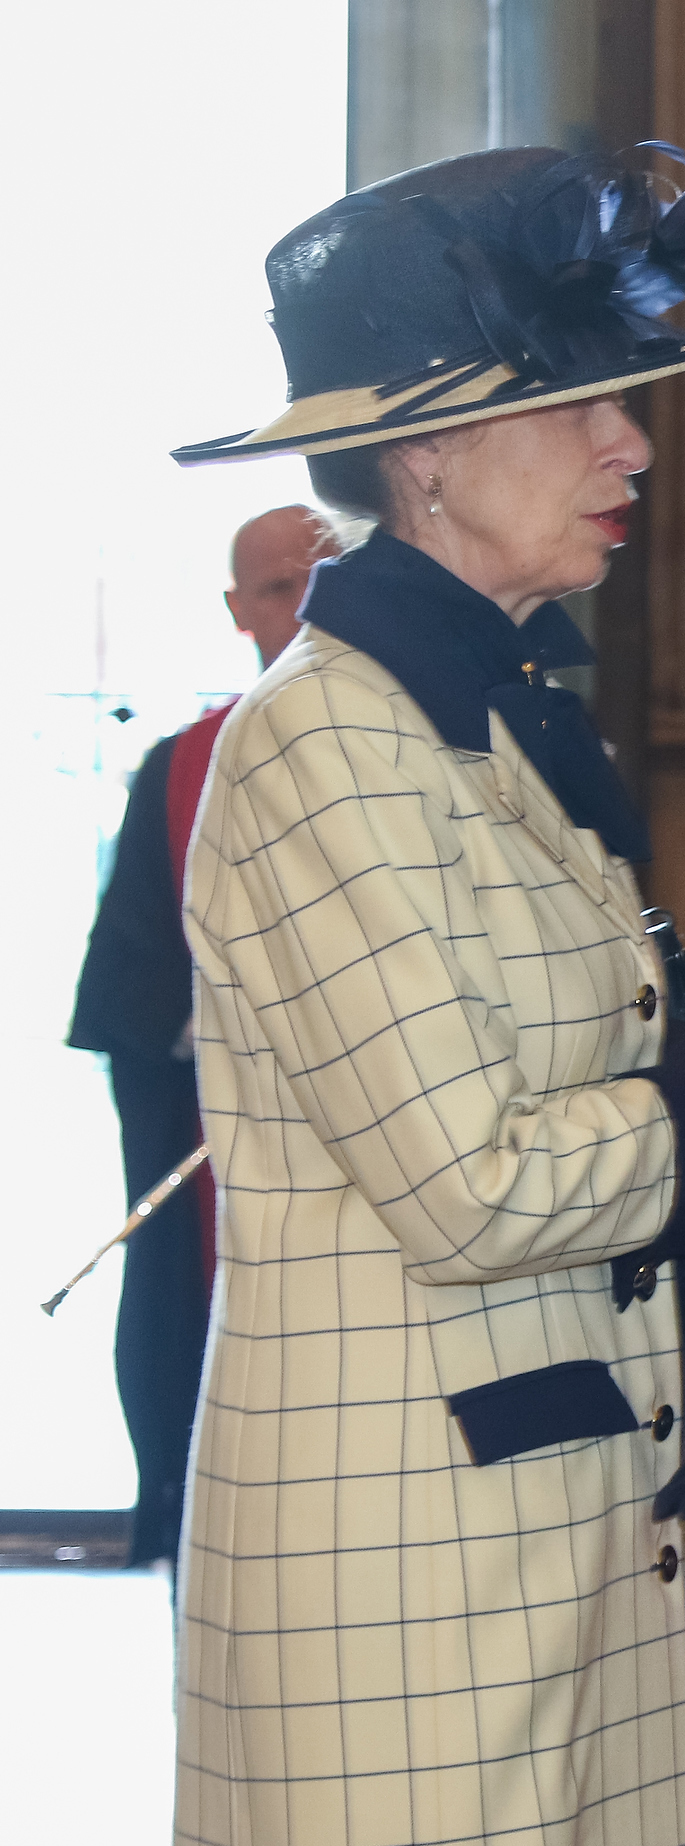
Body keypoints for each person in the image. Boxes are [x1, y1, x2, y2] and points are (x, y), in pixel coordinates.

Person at [163, 143, 685, 1846]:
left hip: (520, 1599)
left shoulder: (479, 718)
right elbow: (473, 1180)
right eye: (586, 408)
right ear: (424, 455)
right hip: (401, 1632)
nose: (636, 452)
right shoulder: (327, 747)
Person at [69, 504, 333, 1570]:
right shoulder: (179, 768)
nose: (303, 605)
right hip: (213, 1125)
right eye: (277, 588)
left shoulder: (420, 738)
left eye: (322, 579)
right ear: (238, 611)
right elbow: (129, 985)